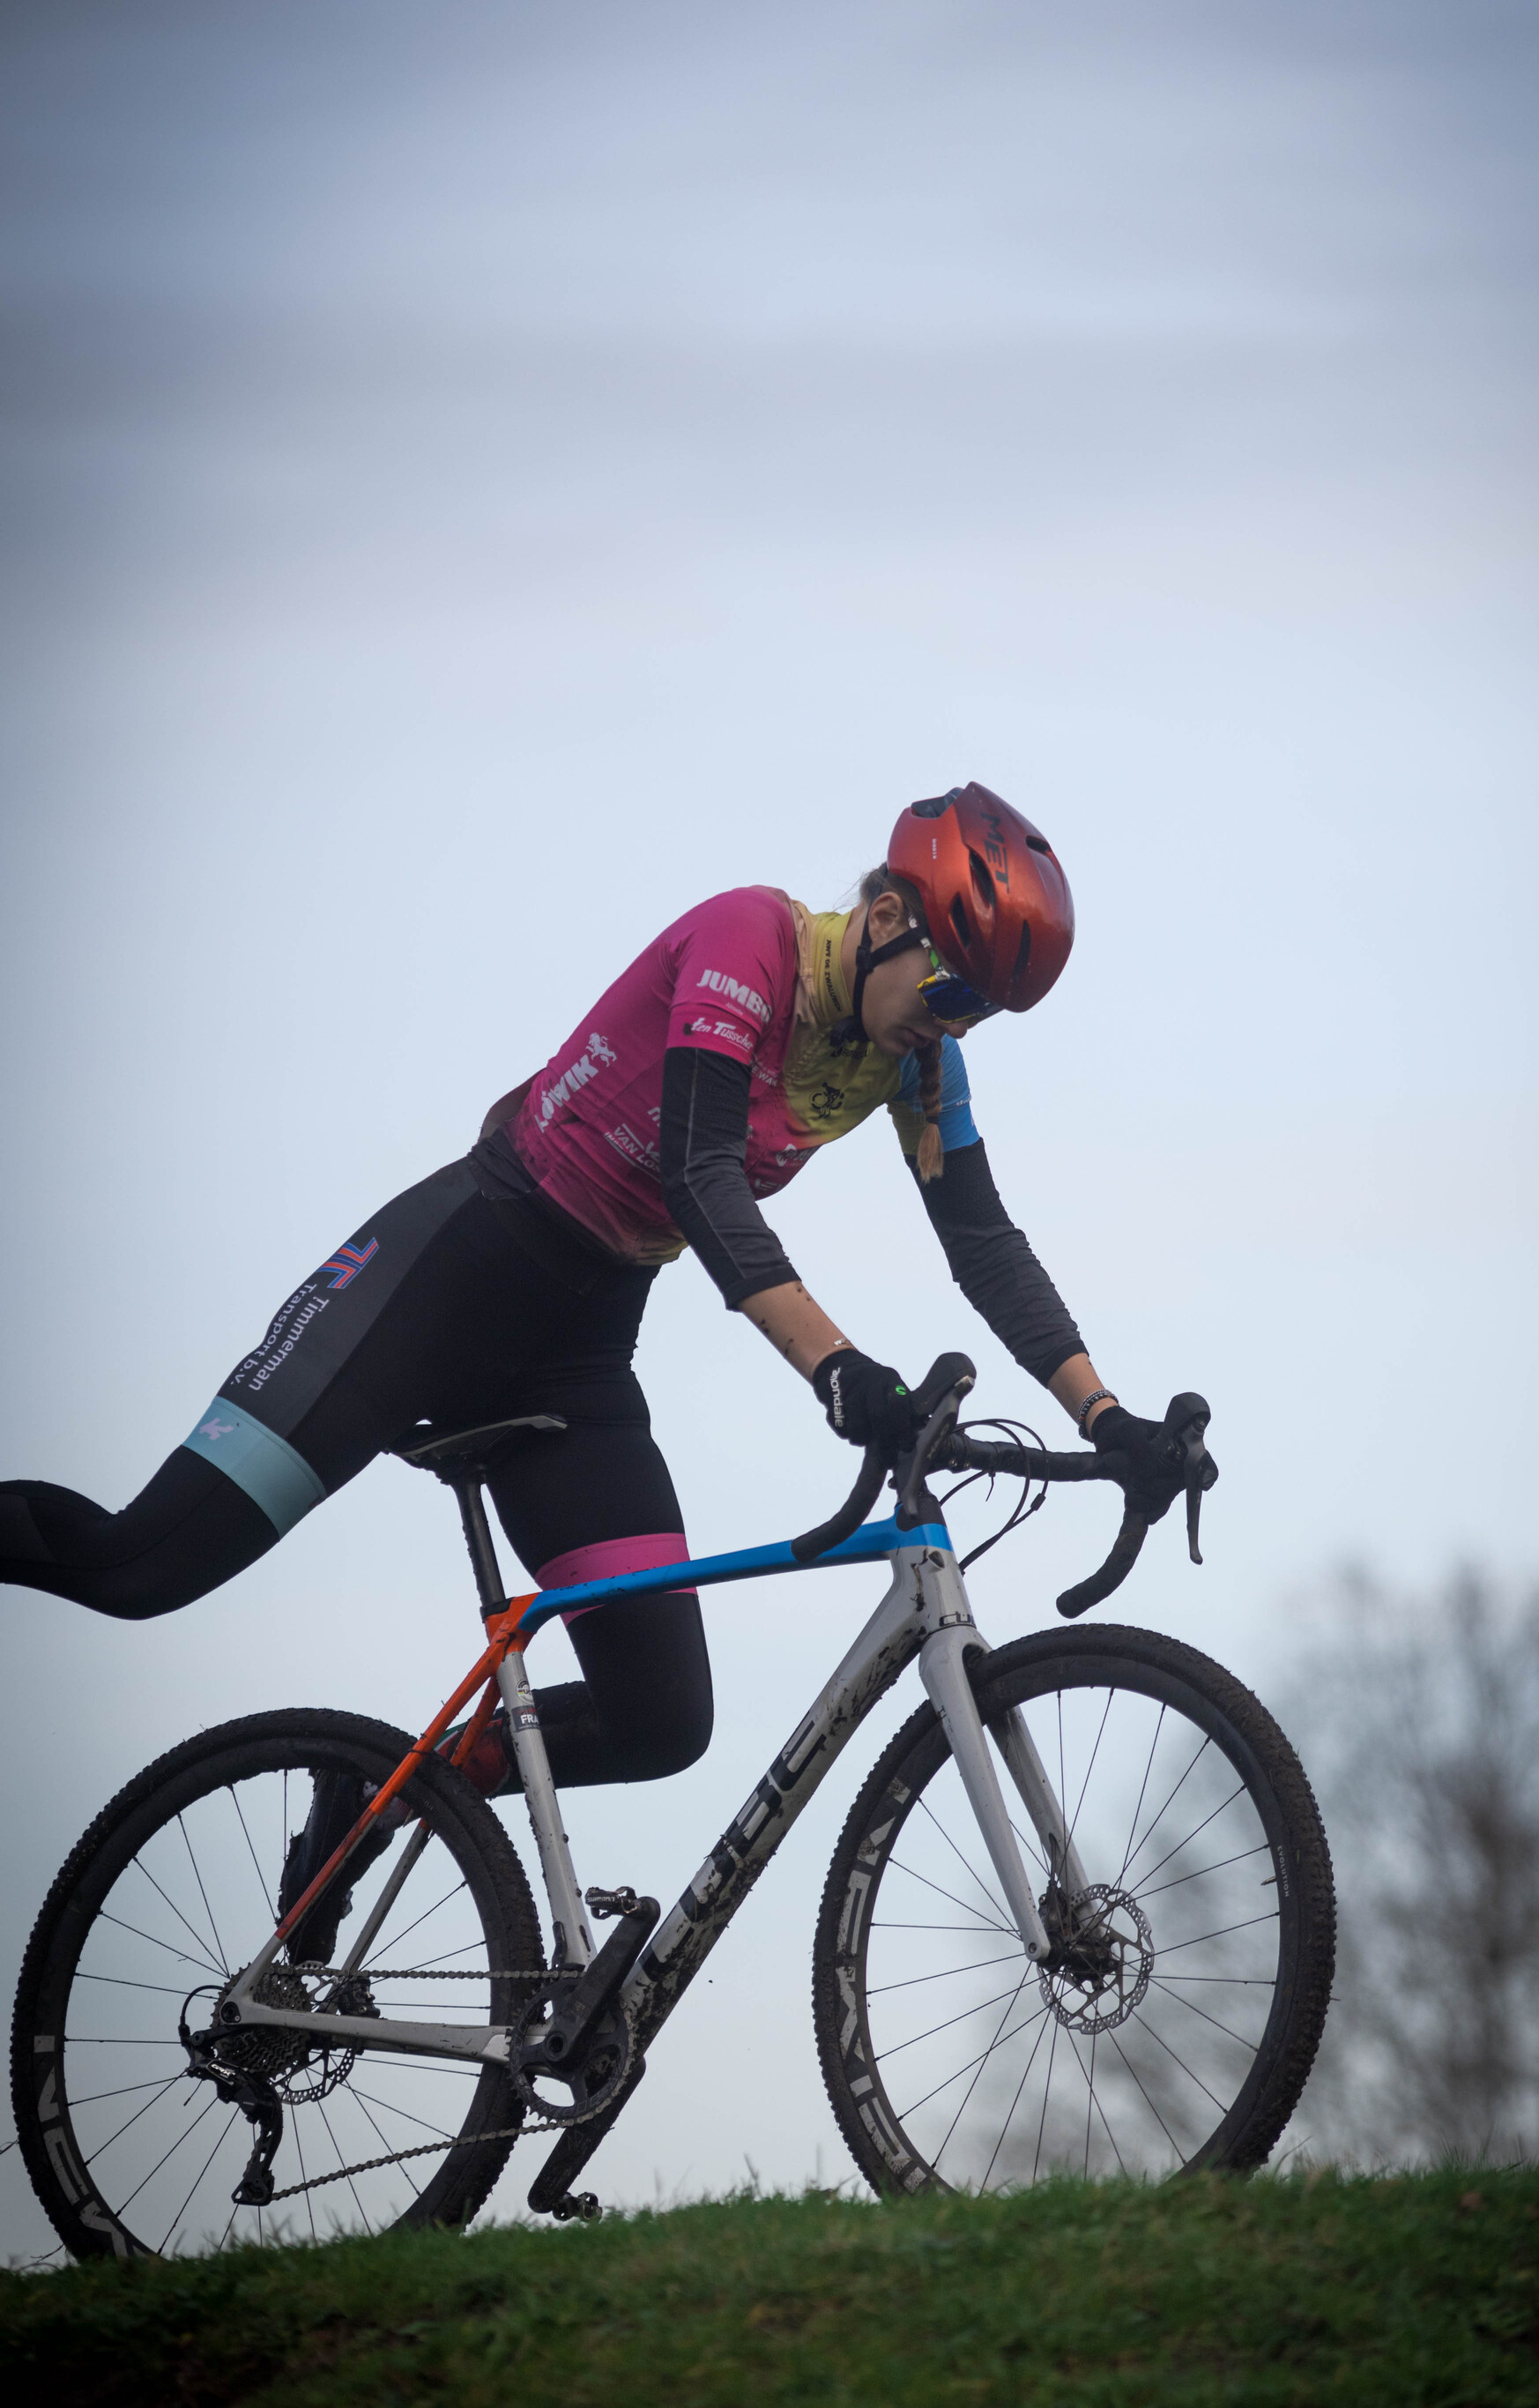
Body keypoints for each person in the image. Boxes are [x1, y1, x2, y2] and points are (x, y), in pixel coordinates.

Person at [1, 786, 1186, 1948]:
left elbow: (982, 1242)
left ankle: (376, 1804)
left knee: (660, 1720)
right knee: (136, 1566)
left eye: (983, 1012)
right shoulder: (750, 940)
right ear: (886, 918)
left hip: (571, 1363)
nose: (957, 1023)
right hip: (438, 1282)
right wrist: (835, 1368)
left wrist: (1108, 1415)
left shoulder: (918, 1068)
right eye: (951, 988)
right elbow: (698, 1176)